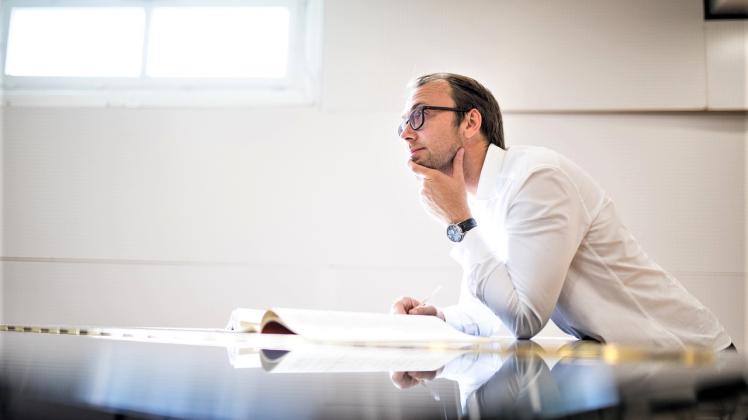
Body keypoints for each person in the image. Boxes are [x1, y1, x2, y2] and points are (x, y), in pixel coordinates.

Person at [391, 73, 733, 351]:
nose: (406, 133)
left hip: (692, 364)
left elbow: (524, 319)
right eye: (403, 123)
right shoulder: (483, 201)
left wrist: (459, 223)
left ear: (470, 122)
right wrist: (438, 317)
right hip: (636, 368)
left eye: (419, 115)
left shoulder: (536, 178)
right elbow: (493, 314)